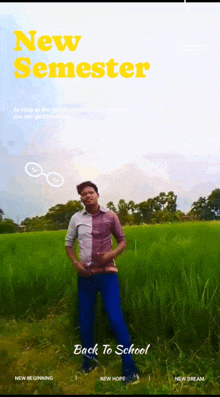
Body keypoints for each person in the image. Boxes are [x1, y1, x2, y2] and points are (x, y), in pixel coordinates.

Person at [65, 181, 139, 384]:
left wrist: (110, 255)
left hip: (107, 275)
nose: (87, 196)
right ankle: (88, 363)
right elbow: (69, 244)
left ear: (97, 195)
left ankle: (129, 369)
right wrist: (75, 263)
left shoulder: (110, 216)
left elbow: (122, 240)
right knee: (85, 321)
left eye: (90, 192)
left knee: (115, 318)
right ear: (80, 198)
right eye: (83, 194)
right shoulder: (76, 218)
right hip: (85, 277)